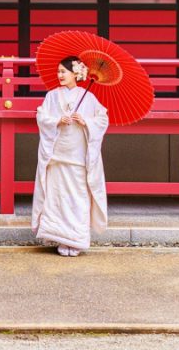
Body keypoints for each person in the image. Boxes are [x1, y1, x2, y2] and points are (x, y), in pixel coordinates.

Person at [32, 56, 109, 256]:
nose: (59, 76)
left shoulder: (89, 97)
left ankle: (76, 240)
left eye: (63, 72)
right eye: (58, 72)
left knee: (77, 197)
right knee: (56, 196)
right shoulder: (51, 96)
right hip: (57, 155)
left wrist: (86, 122)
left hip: (77, 156)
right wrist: (57, 120)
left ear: (76, 73)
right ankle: (60, 238)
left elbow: (102, 119)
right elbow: (41, 116)